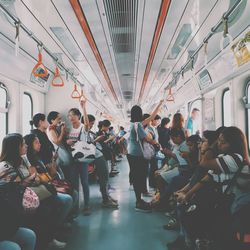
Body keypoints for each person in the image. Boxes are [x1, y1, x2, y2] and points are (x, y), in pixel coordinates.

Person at [0, 133, 68, 249]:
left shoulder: (23, 160)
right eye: (23, 144)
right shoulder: (5, 167)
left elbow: (34, 178)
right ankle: (47, 239)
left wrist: (30, 179)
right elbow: (17, 187)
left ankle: (50, 236)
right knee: (45, 209)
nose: (26, 146)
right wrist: (30, 179)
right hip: (17, 202)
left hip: (26, 195)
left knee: (52, 204)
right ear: (15, 147)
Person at [127, 100, 163, 212]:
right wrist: (156, 144)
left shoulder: (134, 124)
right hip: (137, 155)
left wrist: (159, 104)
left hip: (132, 154)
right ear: (140, 114)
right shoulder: (138, 126)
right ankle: (138, 202)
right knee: (139, 177)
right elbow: (148, 139)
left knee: (138, 176)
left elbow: (151, 116)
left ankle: (139, 199)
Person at [81, 110, 118, 208]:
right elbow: (86, 145)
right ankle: (105, 200)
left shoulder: (90, 132)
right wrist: (96, 140)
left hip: (99, 154)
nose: (92, 126)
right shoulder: (83, 132)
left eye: (93, 124)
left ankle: (107, 196)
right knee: (103, 177)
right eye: (91, 123)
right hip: (96, 156)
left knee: (105, 177)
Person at [66, 104, 91, 216]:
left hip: (82, 158)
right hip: (72, 159)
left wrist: (84, 107)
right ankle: (75, 206)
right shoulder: (69, 128)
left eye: (72, 115)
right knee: (74, 183)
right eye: (69, 115)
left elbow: (86, 124)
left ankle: (86, 205)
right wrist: (68, 142)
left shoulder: (82, 127)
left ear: (78, 116)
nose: (70, 118)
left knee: (85, 182)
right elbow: (67, 141)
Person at [47, 111, 73, 182]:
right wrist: (62, 131)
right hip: (60, 152)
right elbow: (57, 142)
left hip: (62, 151)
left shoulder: (56, 127)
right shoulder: (51, 129)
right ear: (52, 120)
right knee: (66, 172)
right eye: (58, 119)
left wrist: (64, 130)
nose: (60, 121)